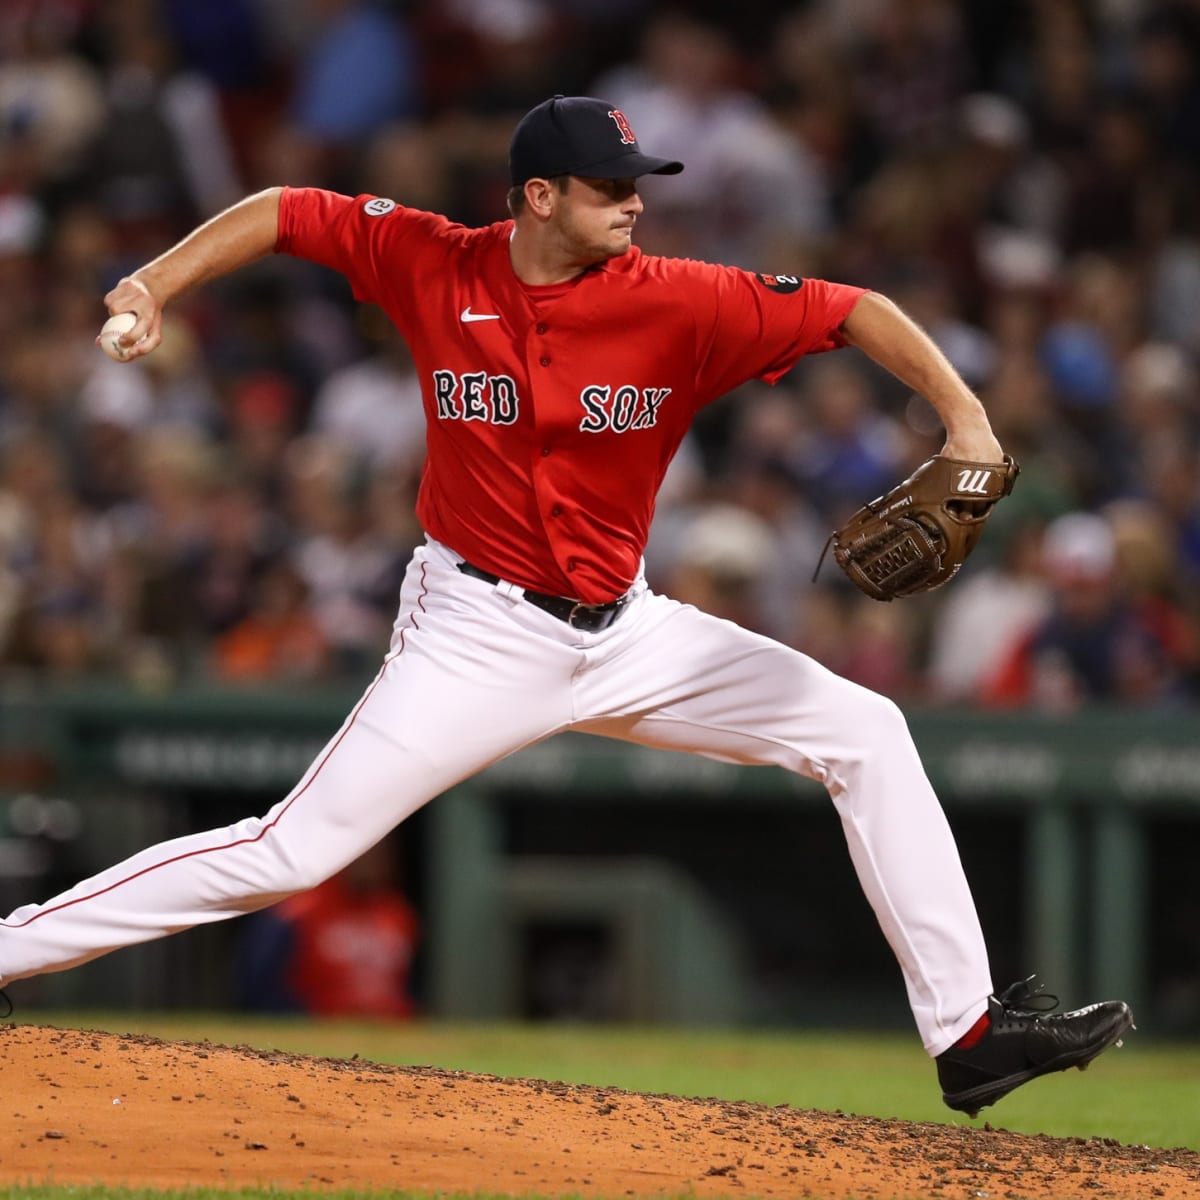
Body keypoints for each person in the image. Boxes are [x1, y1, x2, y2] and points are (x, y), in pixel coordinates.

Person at [0, 95, 1131, 1115]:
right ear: (539, 196)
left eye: (639, 183)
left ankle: (969, 1035)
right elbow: (286, 210)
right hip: (475, 630)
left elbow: (856, 310)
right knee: (291, 853)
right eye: (610, 187)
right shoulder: (433, 260)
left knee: (867, 732)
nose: (635, 203)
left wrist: (967, 420)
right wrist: (154, 283)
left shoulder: (685, 301)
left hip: (633, 630)